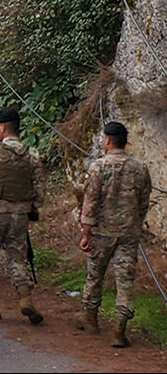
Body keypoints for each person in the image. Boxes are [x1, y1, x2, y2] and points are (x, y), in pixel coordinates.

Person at [75, 122, 151, 347]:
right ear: (125, 142)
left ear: (107, 140)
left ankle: (90, 318)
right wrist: (135, 222)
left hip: (102, 233)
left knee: (95, 276)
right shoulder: (140, 168)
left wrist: (86, 233)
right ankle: (119, 330)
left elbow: (90, 202)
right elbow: (144, 202)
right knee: (125, 281)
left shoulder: (99, 167)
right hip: (128, 232)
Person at [0, 107, 45, 325]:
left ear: (3, 128)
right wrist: (32, 210)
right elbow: (40, 189)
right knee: (17, 257)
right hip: (19, 216)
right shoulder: (32, 155)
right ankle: (25, 297)